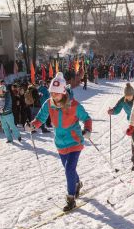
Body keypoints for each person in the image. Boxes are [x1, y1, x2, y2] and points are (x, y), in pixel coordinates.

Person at [28, 72, 92, 211]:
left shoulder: (73, 105)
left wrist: (87, 130)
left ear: (63, 92)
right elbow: (40, 118)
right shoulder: (49, 104)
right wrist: (33, 125)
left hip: (75, 141)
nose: (54, 96)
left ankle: (70, 199)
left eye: (56, 93)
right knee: (69, 169)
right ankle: (77, 184)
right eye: (52, 93)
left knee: (69, 168)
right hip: (60, 142)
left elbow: (87, 118)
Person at [108, 83, 134, 171]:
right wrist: (112, 111)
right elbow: (117, 109)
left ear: (133, 94)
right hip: (132, 123)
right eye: (127, 96)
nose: (128, 97)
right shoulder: (123, 101)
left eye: (130, 96)